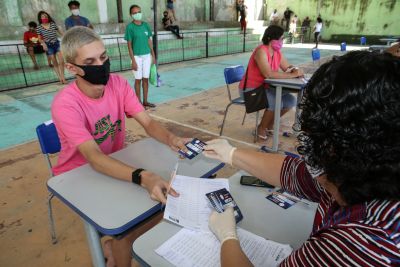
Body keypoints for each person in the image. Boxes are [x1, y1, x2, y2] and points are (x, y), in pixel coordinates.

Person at [205, 51, 400, 266]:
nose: (304, 142)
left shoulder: (363, 246)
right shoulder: (359, 178)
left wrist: (228, 237)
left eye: (311, 135)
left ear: (333, 148)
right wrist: (232, 154)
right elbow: (295, 174)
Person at [54, 26, 189, 267]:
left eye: (103, 57)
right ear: (72, 68)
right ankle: (117, 244)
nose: (101, 65)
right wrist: (143, 176)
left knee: (165, 200)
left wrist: (172, 139)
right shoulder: (65, 104)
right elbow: (93, 158)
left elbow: (147, 122)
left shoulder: (118, 84)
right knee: (126, 229)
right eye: (90, 61)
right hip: (78, 174)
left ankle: (114, 243)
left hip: (114, 161)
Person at [238, 25, 303, 140]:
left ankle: (268, 124)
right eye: (280, 39)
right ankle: (261, 128)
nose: (282, 41)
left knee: (290, 100)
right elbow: (268, 74)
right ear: (270, 38)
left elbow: (287, 67)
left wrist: (294, 69)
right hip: (251, 90)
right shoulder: (261, 51)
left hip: (266, 88)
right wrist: (292, 75)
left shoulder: (277, 53)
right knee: (274, 102)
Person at [125, 4, 157, 108]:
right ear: (131, 15)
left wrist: (153, 55)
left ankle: (145, 101)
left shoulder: (146, 25)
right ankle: (138, 103)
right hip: (136, 57)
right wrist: (133, 60)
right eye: (134, 13)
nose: (137, 14)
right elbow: (129, 46)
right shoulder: (130, 27)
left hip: (147, 56)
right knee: (138, 80)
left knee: (145, 79)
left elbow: (149, 41)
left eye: (139, 12)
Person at [36, 10, 67, 84]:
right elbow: (39, 39)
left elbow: (61, 33)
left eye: (46, 16)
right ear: (40, 18)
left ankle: (63, 77)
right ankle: (59, 78)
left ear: (48, 17)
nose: (44, 18)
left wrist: (66, 37)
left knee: (61, 61)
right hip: (48, 45)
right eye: (42, 17)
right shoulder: (39, 27)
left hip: (56, 43)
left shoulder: (53, 24)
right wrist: (43, 44)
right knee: (54, 61)